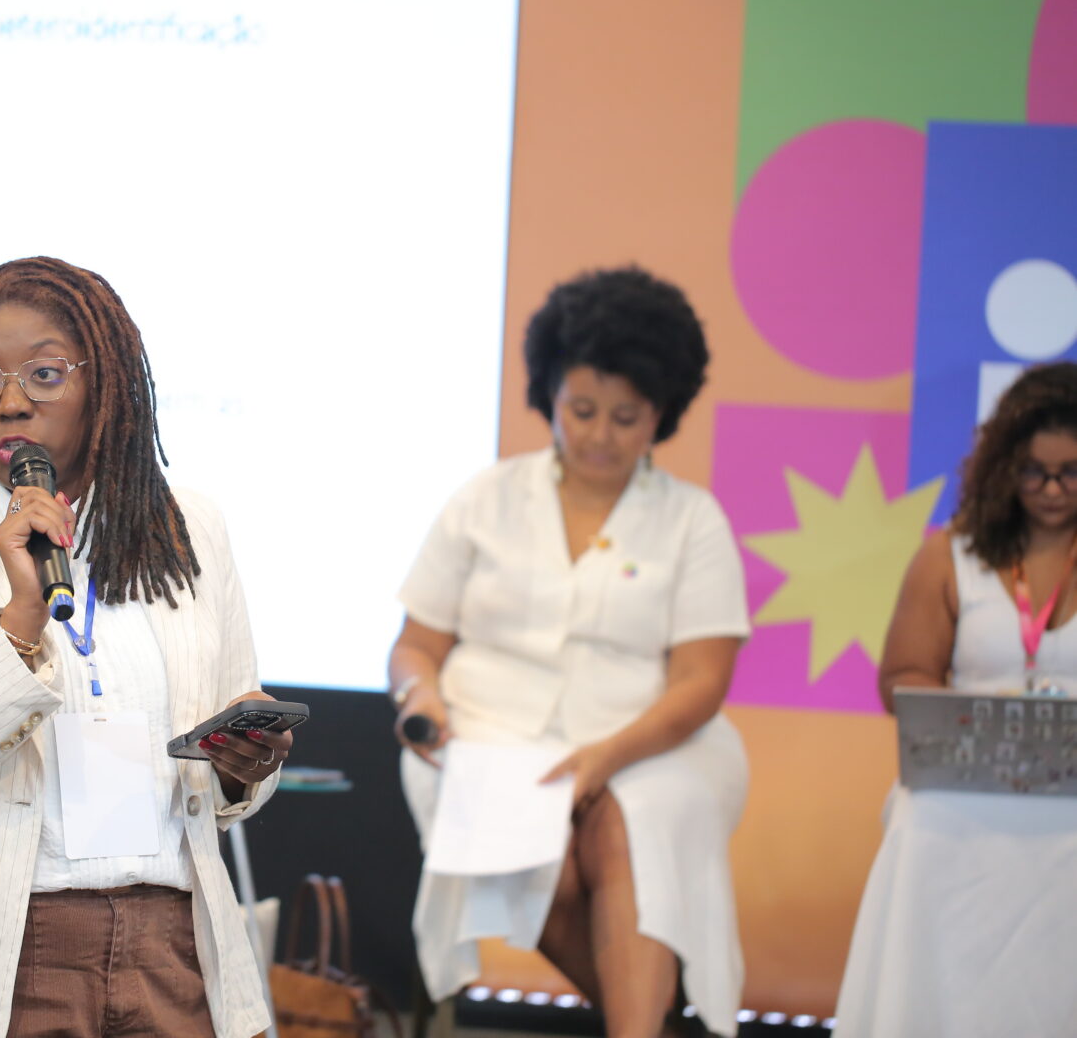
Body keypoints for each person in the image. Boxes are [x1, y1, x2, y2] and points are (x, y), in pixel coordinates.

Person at [0, 256, 291, 1038]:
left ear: (105, 384)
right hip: (10, 951)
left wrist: (241, 763)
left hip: (175, 943)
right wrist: (19, 619)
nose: (11, 402)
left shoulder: (188, 529)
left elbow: (224, 788)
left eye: (45, 375)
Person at [390, 267, 751, 1038]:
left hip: (654, 739)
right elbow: (417, 646)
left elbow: (702, 680)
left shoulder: (694, 520)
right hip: (484, 734)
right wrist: (419, 698)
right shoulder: (485, 498)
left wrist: (604, 759)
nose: (599, 435)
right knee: (531, 844)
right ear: (549, 393)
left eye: (627, 417)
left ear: (662, 413)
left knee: (631, 824)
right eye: (582, 410)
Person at [833, 362, 1077, 1037]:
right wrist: (964, 716)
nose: (1052, 489)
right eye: (1034, 472)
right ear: (1003, 469)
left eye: (1071, 473)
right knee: (922, 817)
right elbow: (903, 674)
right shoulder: (950, 554)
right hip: (965, 777)